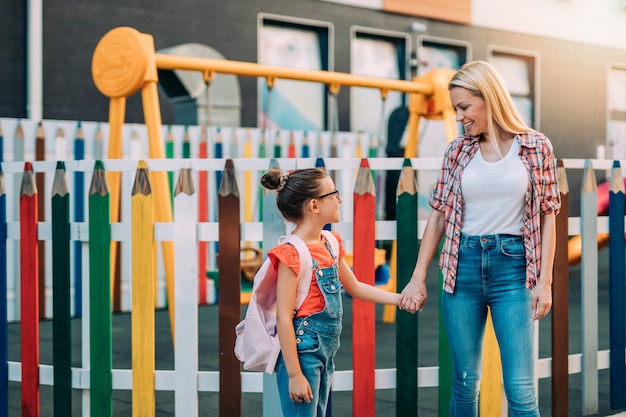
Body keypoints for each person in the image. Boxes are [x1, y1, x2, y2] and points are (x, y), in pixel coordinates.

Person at [399, 60, 560, 416]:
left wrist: (545, 282)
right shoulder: (457, 151)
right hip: (462, 269)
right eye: (456, 109)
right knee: (465, 382)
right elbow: (438, 216)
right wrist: (417, 278)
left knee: (520, 388)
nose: (459, 116)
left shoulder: (535, 147)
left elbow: (549, 215)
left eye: (464, 107)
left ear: (489, 98)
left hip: (514, 271)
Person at [261, 167, 421, 417]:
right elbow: (283, 316)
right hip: (304, 354)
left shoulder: (331, 243)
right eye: (334, 194)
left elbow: (355, 287)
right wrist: (294, 374)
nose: (340, 199)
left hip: (326, 351)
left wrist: (399, 299)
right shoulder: (292, 254)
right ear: (314, 206)